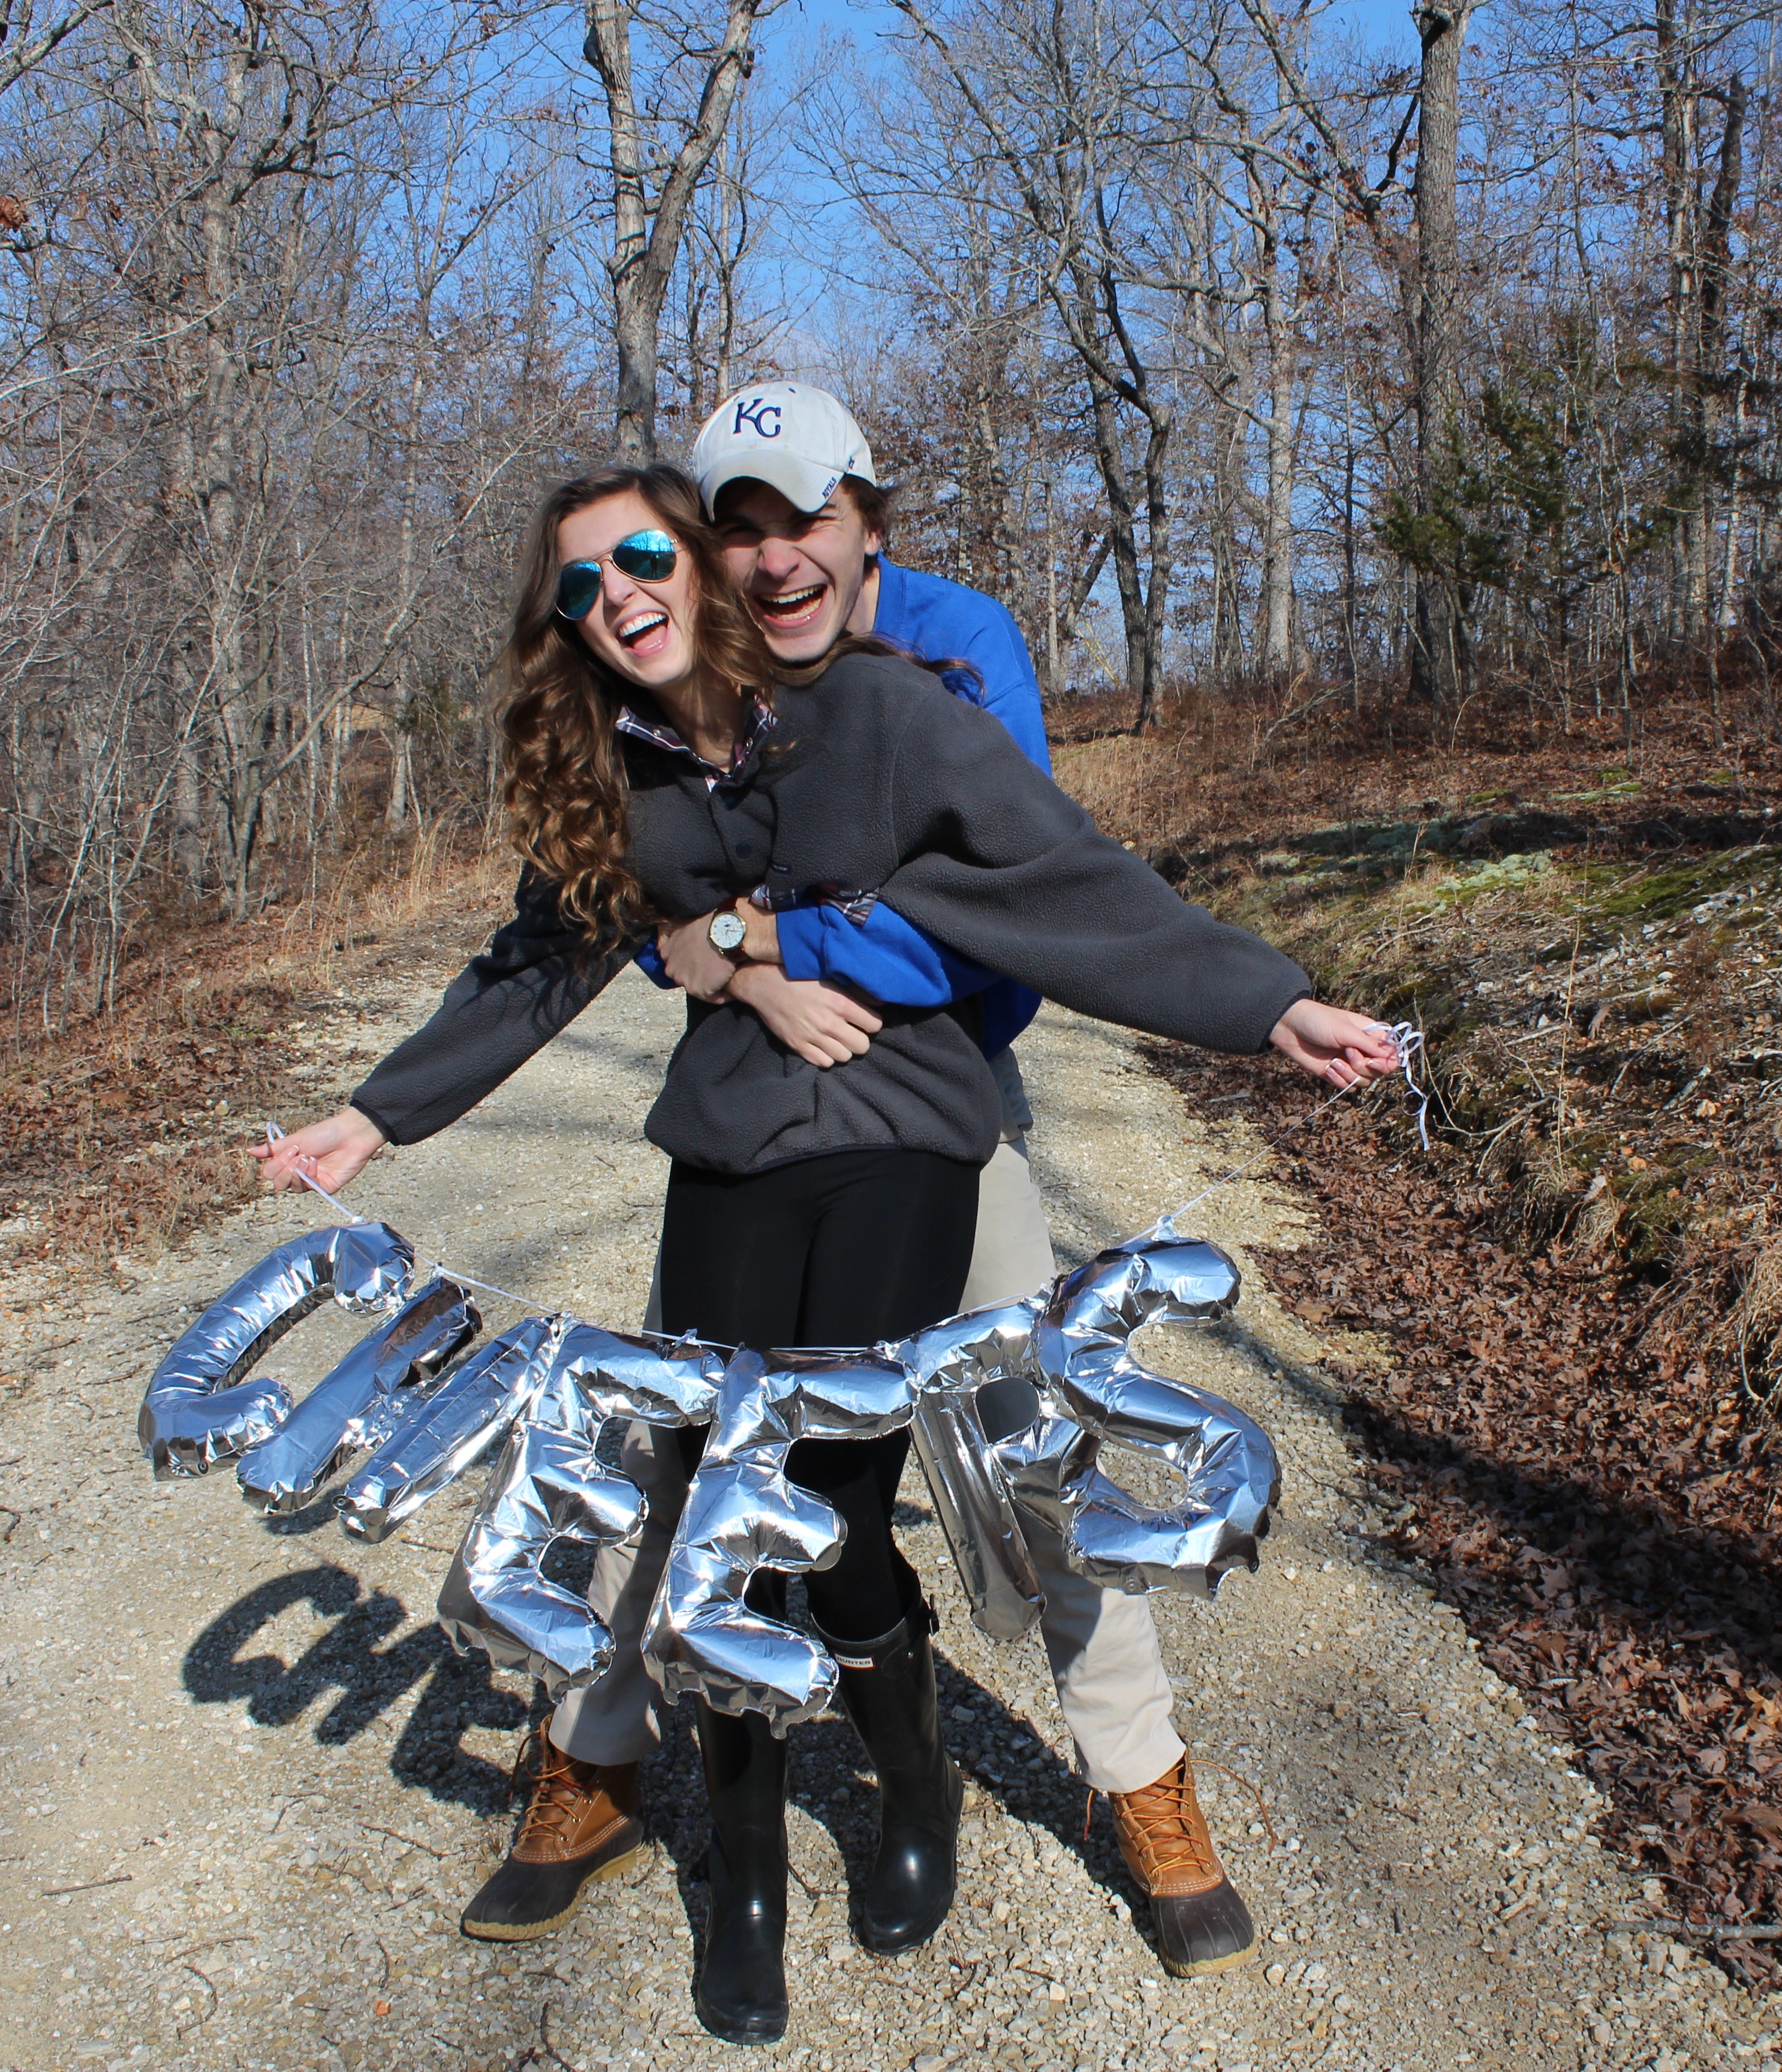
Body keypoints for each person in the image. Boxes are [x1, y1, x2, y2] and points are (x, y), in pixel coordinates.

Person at [255, 459, 1396, 2047]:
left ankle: (936, 1777)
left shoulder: (897, 702)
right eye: (579, 589)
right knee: (706, 1492)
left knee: (874, 1498)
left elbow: (1057, 882)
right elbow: (536, 962)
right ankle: (741, 1875)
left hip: (913, 1133)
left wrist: (1267, 1002)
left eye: (639, 559)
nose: (618, 599)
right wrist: (374, 1120)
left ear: (723, 566)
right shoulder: (624, 769)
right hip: (731, 1146)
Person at [444, 383, 1278, 1989]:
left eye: (802, 516)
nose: (771, 555)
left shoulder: (956, 654)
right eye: (736, 526)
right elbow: (644, 875)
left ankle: (1143, 1781)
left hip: (940, 1105)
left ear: (867, 515)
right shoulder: (700, 661)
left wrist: (756, 942)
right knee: (674, 1454)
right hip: (761, 1129)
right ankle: (598, 1753)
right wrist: (697, 946)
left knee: (1023, 1447)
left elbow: (1004, 909)